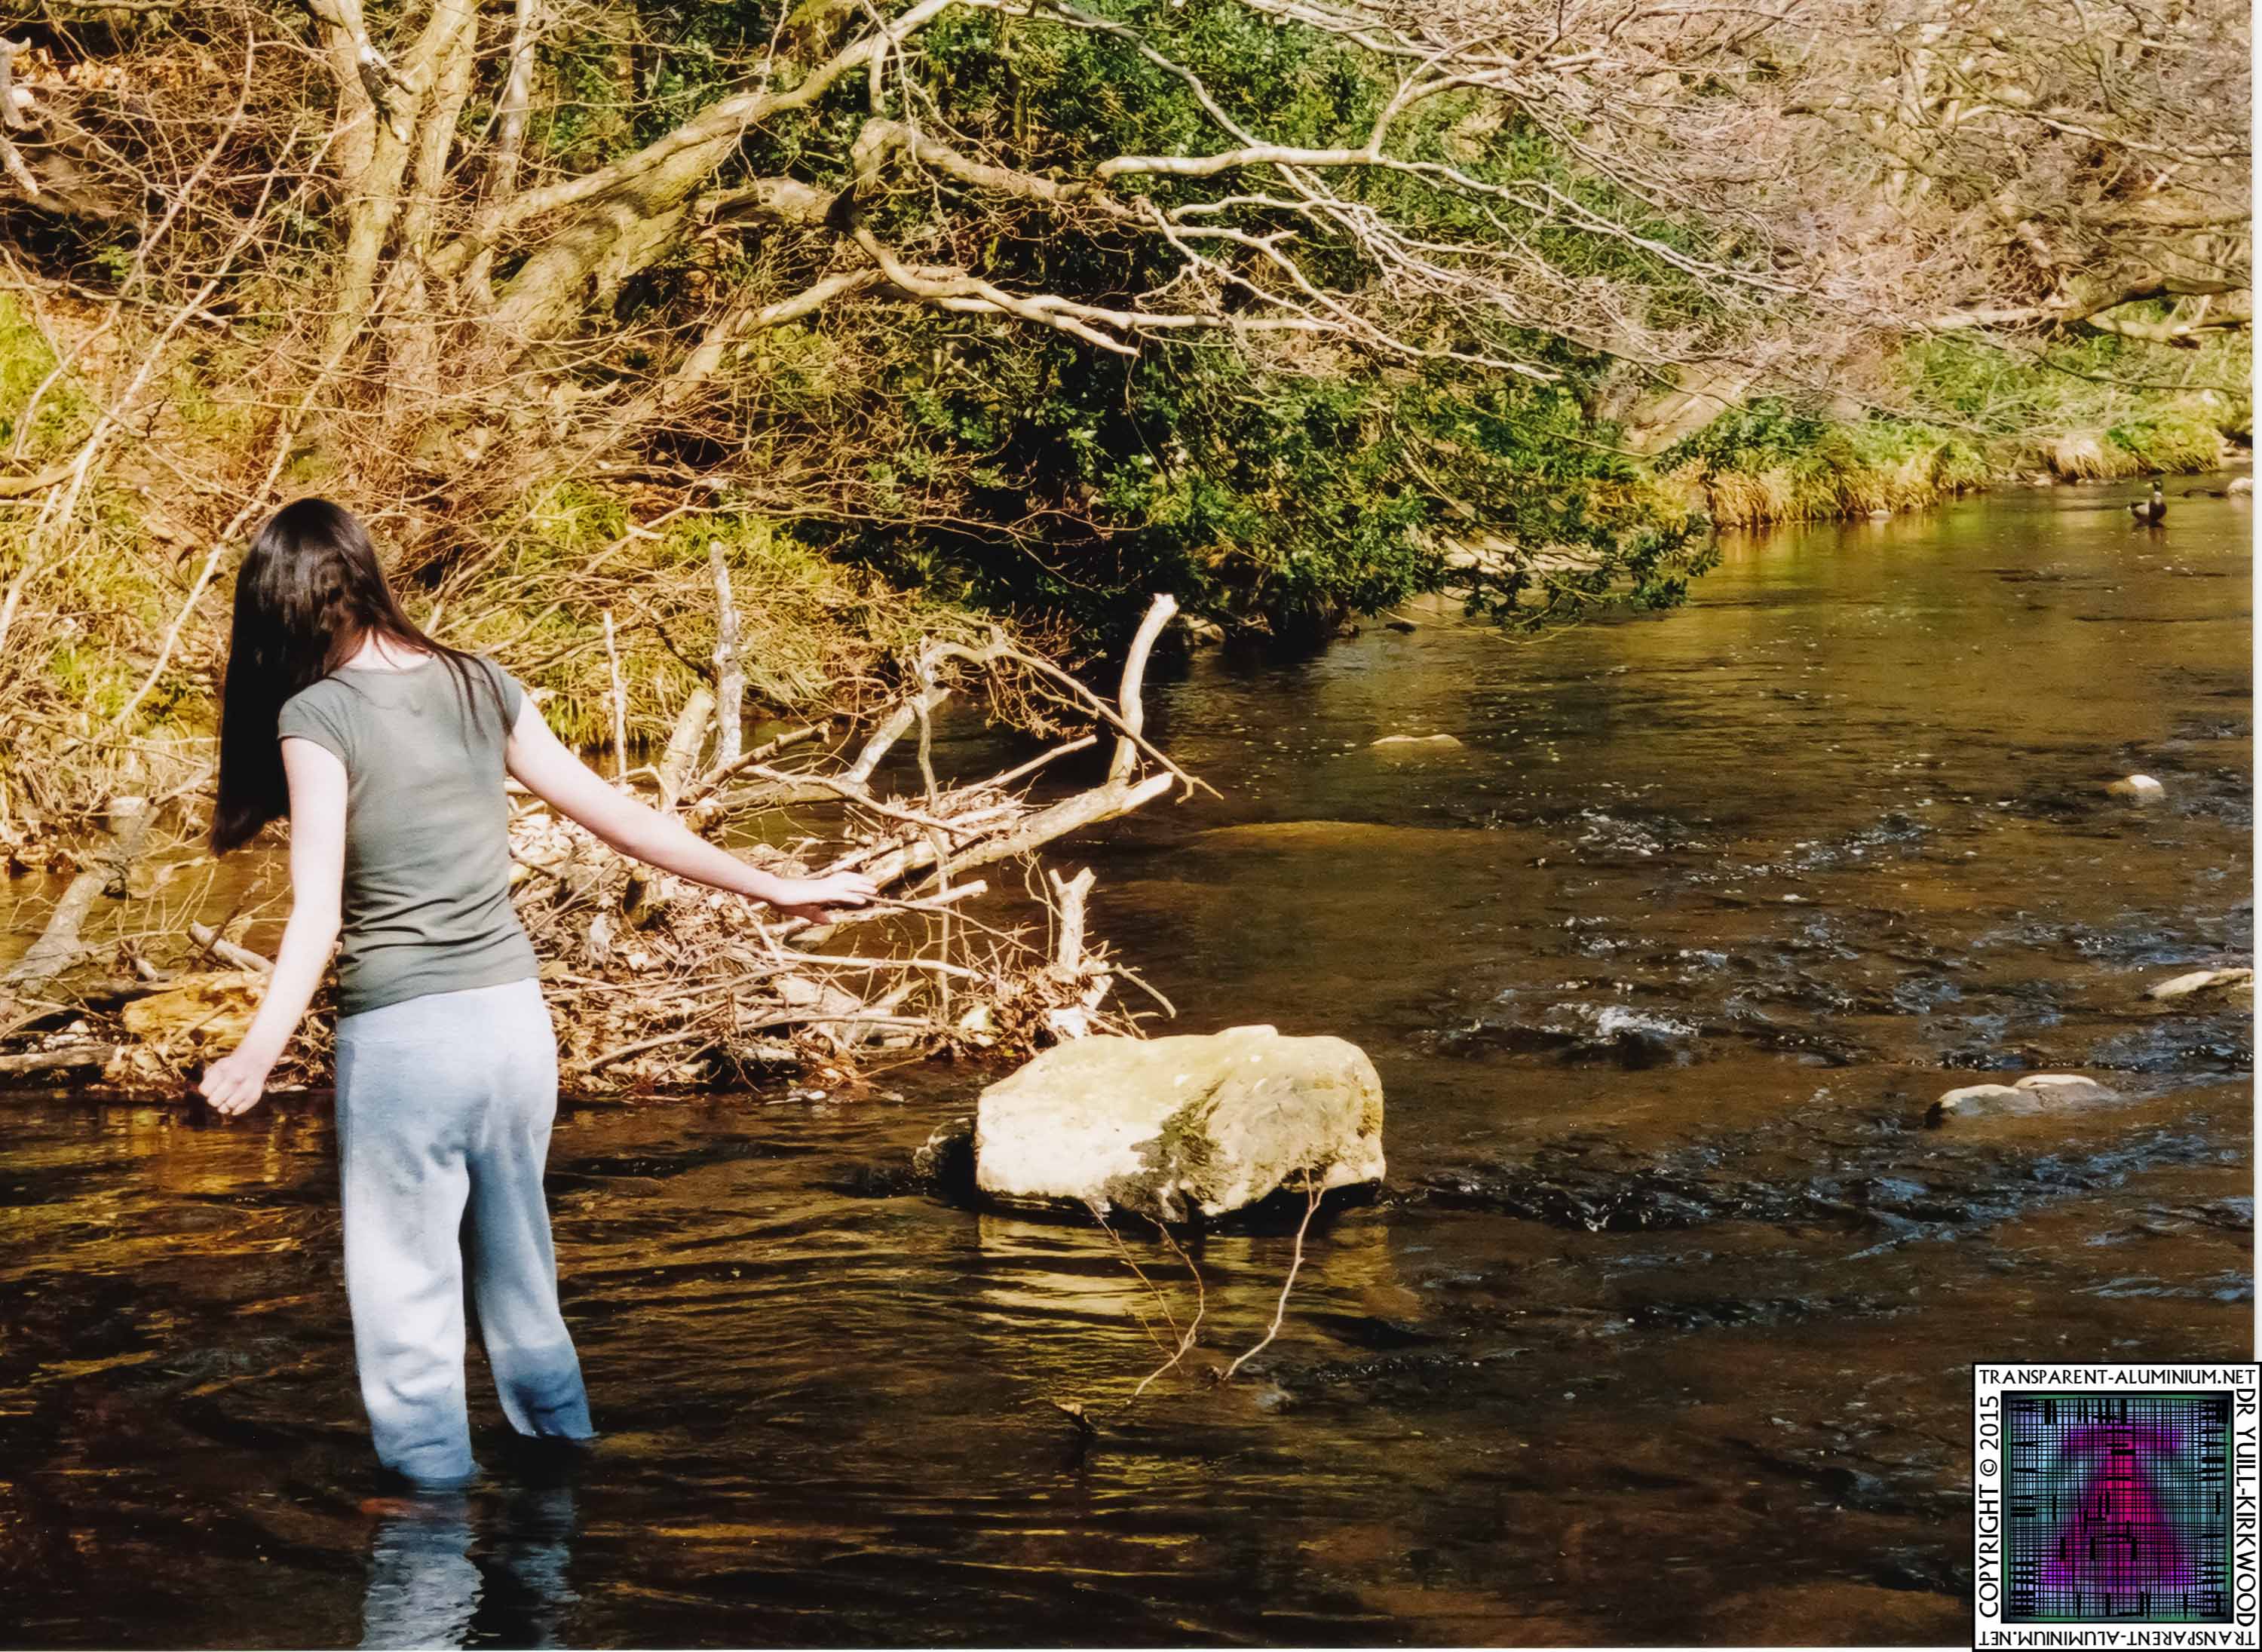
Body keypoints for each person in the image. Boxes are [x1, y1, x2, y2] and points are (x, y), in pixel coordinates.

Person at [198, 497, 876, 1485]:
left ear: (280, 606)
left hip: (408, 1043)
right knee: (522, 1275)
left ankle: (428, 1527)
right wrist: (774, 886)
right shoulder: (481, 683)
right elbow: (621, 817)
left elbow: (317, 911)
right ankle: (563, 1481)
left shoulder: (316, 714)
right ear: (365, 576)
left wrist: (258, 1052)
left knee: (405, 1296)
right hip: (514, 1030)